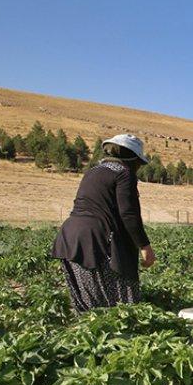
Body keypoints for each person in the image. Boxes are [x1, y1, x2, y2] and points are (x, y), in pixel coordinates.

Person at [51, 134, 155, 313]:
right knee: (120, 310)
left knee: (87, 309)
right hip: (96, 242)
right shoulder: (124, 174)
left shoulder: (93, 171)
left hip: (70, 239)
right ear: (131, 158)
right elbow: (128, 214)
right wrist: (145, 246)